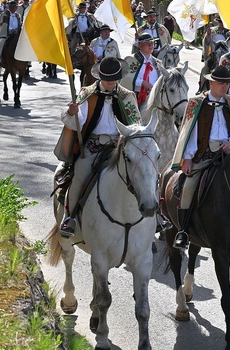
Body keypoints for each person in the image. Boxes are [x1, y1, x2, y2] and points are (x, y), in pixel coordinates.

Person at [55, 56, 141, 237]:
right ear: (100, 77)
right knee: (80, 174)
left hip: (118, 146)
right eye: (107, 79)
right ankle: (69, 218)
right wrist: (72, 112)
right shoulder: (87, 93)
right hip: (93, 145)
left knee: (141, 172)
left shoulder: (127, 96)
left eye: (114, 79)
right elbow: (77, 121)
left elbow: (135, 125)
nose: (110, 82)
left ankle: (151, 216)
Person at [170, 65, 230, 249]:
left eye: (226, 84)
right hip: (203, 155)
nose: (224, 87)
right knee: (188, 187)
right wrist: (187, 157)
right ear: (211, 82)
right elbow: (189, 131)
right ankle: (184, 231)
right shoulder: (196, 103)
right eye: (220, 83)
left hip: (227, 156)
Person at [128, 33, 159, 106]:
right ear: (139, 46)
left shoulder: (157, 63)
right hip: (135, 96)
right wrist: (142, 82)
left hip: (153, 98)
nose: (150, 45)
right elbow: (127, 77)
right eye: (147, 43)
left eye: (152, 43)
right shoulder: (131, 60)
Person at [0, 0, 22, 67]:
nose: (14, 8)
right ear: (9, 7)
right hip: (6, 33)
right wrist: (11, 30)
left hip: (16, 34)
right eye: (12, 7)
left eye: (15, 7)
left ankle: (26, 60)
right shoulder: (4, 14)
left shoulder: (18, 15)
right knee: (2, 42)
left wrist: (17, 29)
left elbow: (19, 24)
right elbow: (4, 24)